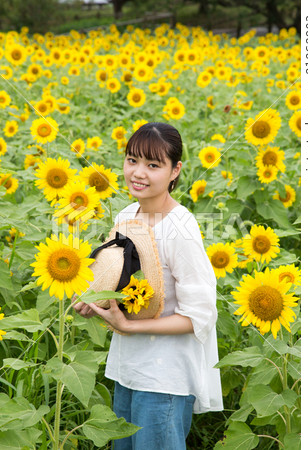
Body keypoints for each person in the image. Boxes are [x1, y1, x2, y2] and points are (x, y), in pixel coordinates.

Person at [73, 122, 223, 449]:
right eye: (132, 160)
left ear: (175, 170)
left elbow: (200, 315)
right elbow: (109, 278)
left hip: (164, 380)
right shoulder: (128, 215)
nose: (138, 173)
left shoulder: (181, 230)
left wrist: (127, 325)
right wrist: (92, 301)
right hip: (127, 370)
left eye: (153, 165)